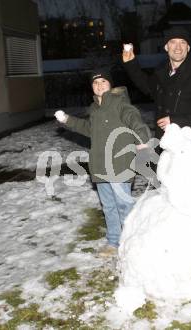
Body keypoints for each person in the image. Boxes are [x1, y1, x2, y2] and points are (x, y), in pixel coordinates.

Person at [54, 68, 151, 257]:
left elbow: (134, 119)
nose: (99, 85)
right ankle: (113, 242)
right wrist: (67, 120)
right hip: (100, 165)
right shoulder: (94, 109)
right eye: (95, 83)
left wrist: (142, 139)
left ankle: (132, 241)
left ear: (110, 84)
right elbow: (87, 128)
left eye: (103, 82)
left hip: (120, 164)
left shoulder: (119, 103)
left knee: (124, 205)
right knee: (108, 207)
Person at [122, 27, 191, 139]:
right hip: (164, 142)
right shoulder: (161, 73)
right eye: (173, 42)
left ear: (188, 48)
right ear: (166, 47)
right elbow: (147, 86)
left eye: (183, 42)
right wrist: (130, 64)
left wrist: (176, 121)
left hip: (190, 145)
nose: (178, 47)